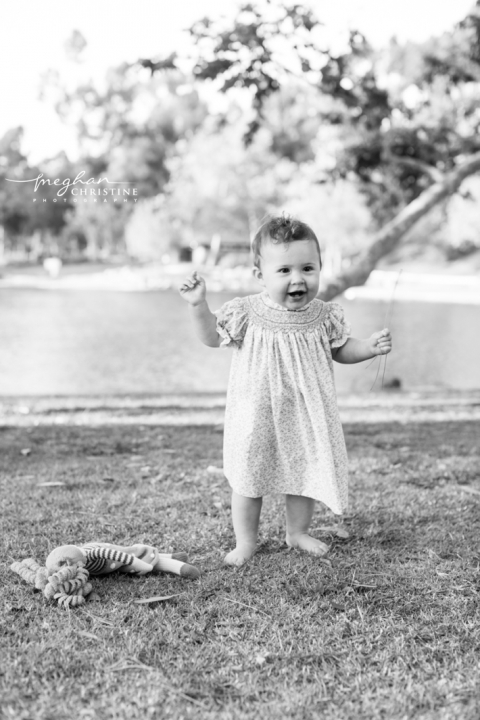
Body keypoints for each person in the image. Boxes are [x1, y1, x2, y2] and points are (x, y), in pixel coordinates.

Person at [179, 215, 392, 566]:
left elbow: (341, 349)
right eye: (284, 270)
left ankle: (297, 533)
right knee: (249, 478)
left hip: (304, 413)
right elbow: (212, 337)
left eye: (308, 268)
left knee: (304, 474)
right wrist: (197, 305)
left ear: (320, 268)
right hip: (256, 414)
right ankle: (246, 541)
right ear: (260, 274)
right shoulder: (246, 312)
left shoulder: (323, 315)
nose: (298, 279)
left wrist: (368, 347)